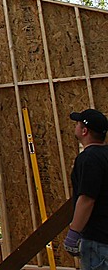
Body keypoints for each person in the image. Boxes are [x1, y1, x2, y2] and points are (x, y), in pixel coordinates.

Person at [63, 108, 108, 269]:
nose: (75, 126)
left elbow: (87, 199)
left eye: (77, 123)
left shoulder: (89, 158)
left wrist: (73, 233)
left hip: (97, 240)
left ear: (84, 130)